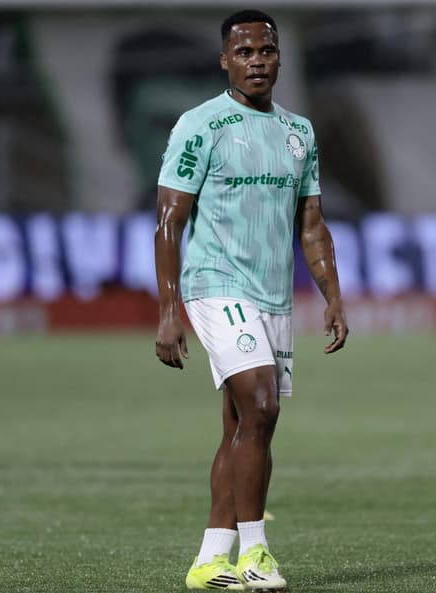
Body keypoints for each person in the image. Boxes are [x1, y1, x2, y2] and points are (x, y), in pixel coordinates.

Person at [154, 10, 348, 591]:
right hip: (215, 284)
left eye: (266, 51)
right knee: (262, 407)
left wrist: (333, 296)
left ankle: (210, 560)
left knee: (242, 427)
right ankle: (256, 554)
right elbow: (169, 221)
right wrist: (169, 310)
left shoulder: (299, 133)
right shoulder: (200, 125)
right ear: (225, 61)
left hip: (272, 295)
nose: (257, 61)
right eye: (244, 52)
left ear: (279, 58)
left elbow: (311, 223)